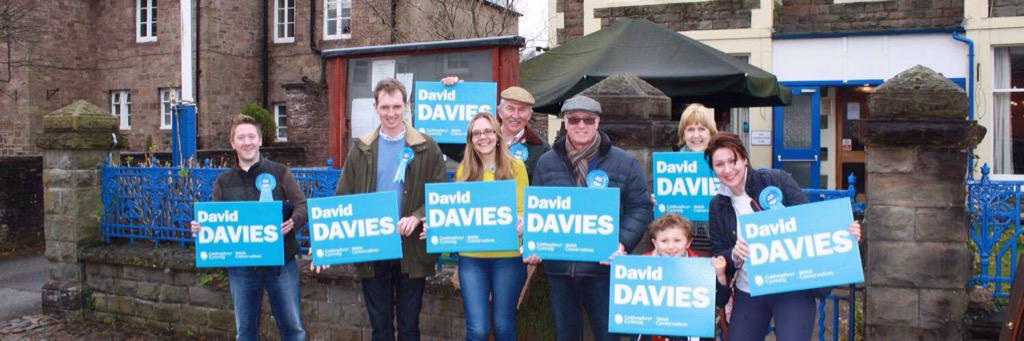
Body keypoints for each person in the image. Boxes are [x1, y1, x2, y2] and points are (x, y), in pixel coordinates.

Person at [704, 132, 861, 341]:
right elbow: (718, 254)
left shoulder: (774, 179)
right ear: (713, 169)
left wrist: (843, 232)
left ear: (744, 158)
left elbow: (810, 221)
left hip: (791, 286)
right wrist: (733, 255)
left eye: (733, 161)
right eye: (719, 164)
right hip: (748, 288)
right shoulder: (717, 205)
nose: (728, 169)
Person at [530, 95, 654, 341]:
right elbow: (538, 210)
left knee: (608, 336)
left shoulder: (624, 161)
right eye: (574, 119)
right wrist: (534, 243)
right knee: (566, 335)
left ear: (598, 122)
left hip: (603, 269)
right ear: (565, 122)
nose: (581, 125)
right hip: (560, 269)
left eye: (588, 119)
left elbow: (640, 207)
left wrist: (622, 242)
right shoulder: (546, 162)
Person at [333, 78, 448, 341]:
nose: (391, 113)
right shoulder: (360, 147)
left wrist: (418, 216)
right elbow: (343, 197)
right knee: (380, 328)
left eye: (397, 106)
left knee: (409, 328)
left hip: (411, 250)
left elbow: (440, 196)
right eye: (385, 107)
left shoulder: (427, 146)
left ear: (406, 106)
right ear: (375, 107)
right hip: (373, 248)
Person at [190, 114, 307, 341]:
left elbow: (301, 205)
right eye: (241, 137)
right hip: (242, 268)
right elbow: (215, 220)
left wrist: (293, 221)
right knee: (245, 332)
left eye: (251, 136)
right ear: (233, 143)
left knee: (293, 329)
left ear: (260, 140)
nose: (247, 142)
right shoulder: (223, 182)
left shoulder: (280, 172)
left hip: (281, 264)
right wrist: (202, 228)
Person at [421, 112, 529, 341]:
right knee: (477, 330)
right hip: (472, 259)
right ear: (470, 140)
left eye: (488, 131)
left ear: (497, 136)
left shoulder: (516, 167)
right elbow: (457, 212)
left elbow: (523, 209)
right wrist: (438, 225)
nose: (483, 137)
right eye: (476, 133)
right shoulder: (464, 170)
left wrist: (522, 221)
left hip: (507, 258)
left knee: (503, 327)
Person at [639, 103, 719, 255]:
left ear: (711, 132)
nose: (696, 135)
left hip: (716, 241)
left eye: (702, 129)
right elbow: (660, 222)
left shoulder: (723, 161)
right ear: (683, 134)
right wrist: (657, 204)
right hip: (680, 247)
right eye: (690, 129)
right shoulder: (670, 165)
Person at [636, 212, 727, 341]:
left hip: (686, 331)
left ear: (688, 242)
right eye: (664, 241)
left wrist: (720, 275)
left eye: (677, 240)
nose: (671, 246)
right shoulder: (640, 265)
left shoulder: (701, 268)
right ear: (655, 243)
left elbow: (720, 300)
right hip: (652, 329)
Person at [440, 76, 551, 180]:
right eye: (510, 109)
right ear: (500, 111)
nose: (516, 115)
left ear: (529, 114)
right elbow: (443, 139)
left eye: (521, 110)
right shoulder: (480, 139)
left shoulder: (542, 149)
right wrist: (453, 90)